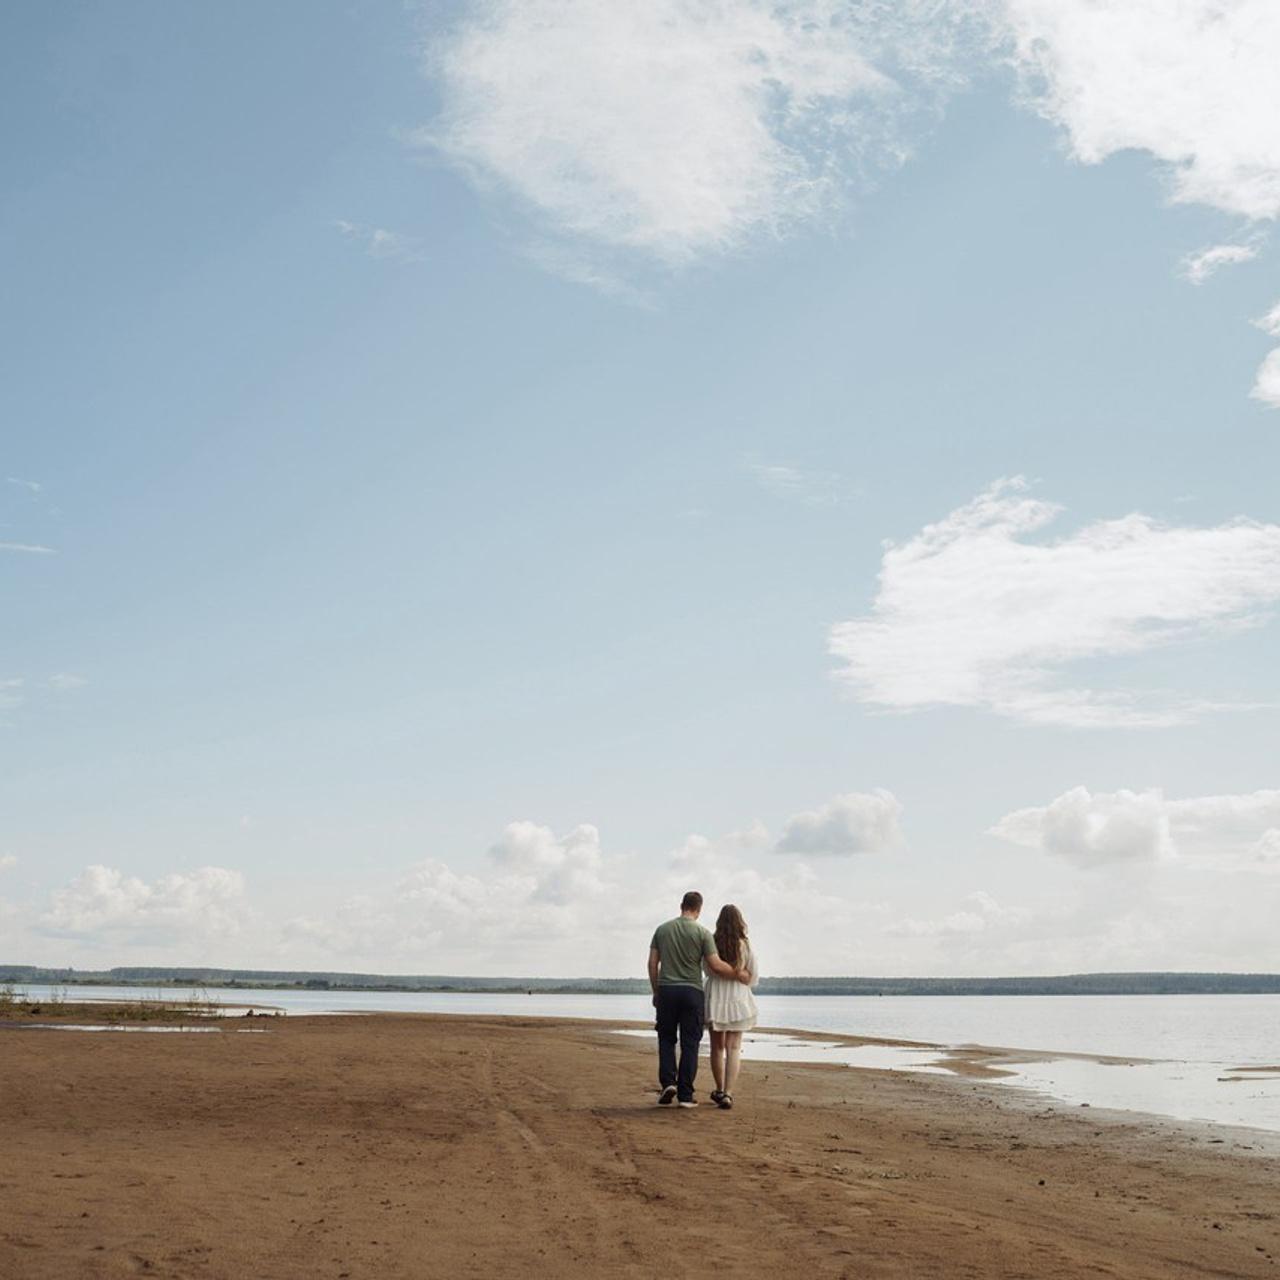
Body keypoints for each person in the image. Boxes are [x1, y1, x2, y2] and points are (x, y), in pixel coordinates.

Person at [648, 891, 751, 1108]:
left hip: (667, 990)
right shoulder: (702, 933)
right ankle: (685, 1095)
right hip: (692, 993)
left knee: (666, 1039)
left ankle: (668, 1082)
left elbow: (652, 963)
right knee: (690, 1043)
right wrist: (739, 973)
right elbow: (715, 965)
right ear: (699, 909)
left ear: (681, 905)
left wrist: (656, 991)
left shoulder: (662, 929)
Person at [704, 903, 758, 1111]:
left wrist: (723, 973)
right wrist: (738, 974)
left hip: (716, 994)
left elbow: (707, 970)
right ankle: (728, 1093)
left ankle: (718, 1089)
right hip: (737, 996)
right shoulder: (744, 944)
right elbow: (752, 975)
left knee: (717, 1047)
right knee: (734, 1047)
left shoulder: (712, 942)